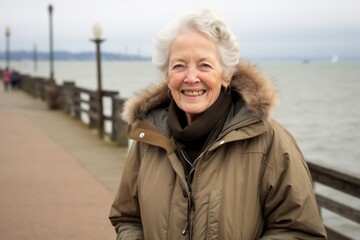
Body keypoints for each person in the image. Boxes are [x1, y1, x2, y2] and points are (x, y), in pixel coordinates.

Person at [109, 9, 327, 239]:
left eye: (204, 65)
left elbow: (299, 231)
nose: (191, 78)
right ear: (167, 76)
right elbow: (128, 218)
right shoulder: (149, 139)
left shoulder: (270, 142)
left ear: (226, 75)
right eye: (179, 66)